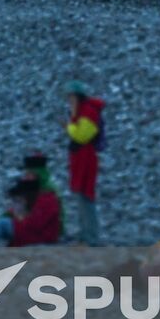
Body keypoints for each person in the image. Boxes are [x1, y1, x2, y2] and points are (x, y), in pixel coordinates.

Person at [63, 81, 104, 245]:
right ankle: (84, 233)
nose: (70, 101)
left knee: (87, 196)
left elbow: (81, 136)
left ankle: (92, 236)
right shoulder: (81, 112)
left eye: (72, 97)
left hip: (86, 159)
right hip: (80, 158)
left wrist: (68, 126)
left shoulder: (89, 112)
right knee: (80, 195)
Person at [0, 175, 61, 247]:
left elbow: (34, 224)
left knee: (2, 224)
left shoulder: (46, 201)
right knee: (3, 223)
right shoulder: (41, 199)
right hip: (35, 235)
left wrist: (18, 218)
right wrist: (13, 215)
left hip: (40, 238)